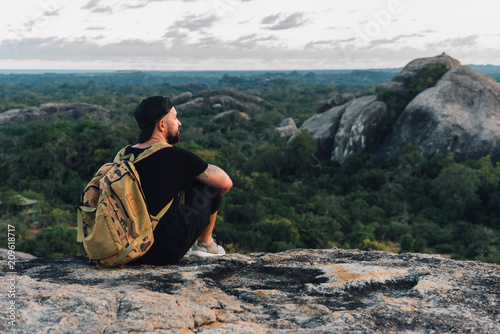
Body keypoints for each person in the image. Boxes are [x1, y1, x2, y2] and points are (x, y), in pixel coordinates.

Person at [126, 96, 232, 265]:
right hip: (163, 251)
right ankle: (205, 245)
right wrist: (196, 168)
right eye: (175, 118)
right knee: (209, 186)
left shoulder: (123, 155)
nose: (179, 123)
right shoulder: (174, 156)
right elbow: (225, 183)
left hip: (128, 246)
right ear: (162, 125)